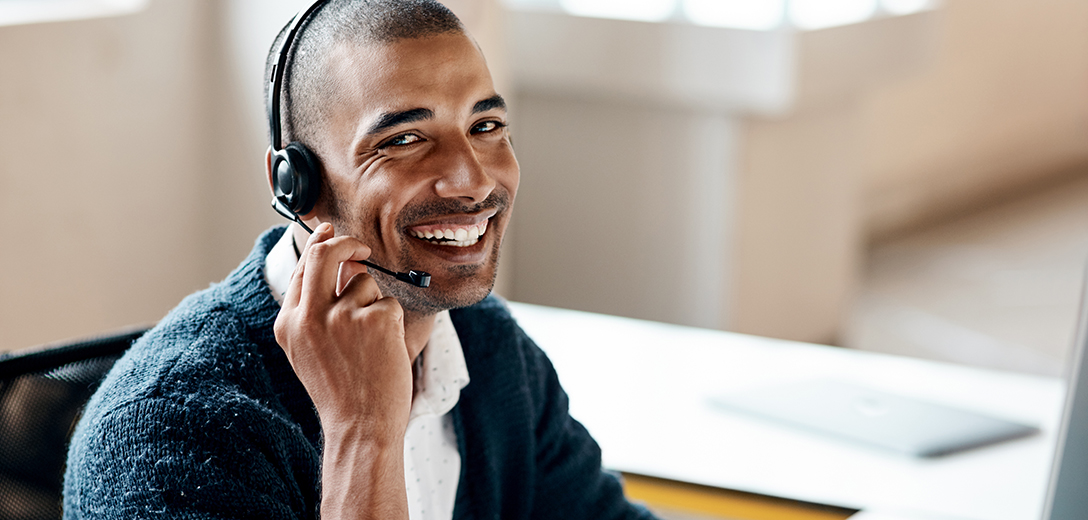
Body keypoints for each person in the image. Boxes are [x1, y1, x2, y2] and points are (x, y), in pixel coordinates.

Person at [62, 1, 658, 519]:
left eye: (486, 126)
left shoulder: (489, 347)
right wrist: (363, 435)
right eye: (402, 140)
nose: (471, 180)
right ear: (298, 184)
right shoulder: (171, 434)